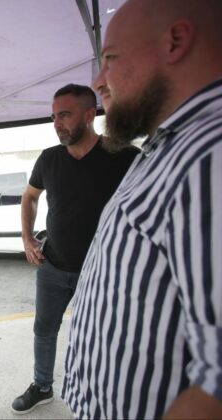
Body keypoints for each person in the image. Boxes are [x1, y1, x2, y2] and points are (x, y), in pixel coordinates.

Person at [62, 1, 222, 419]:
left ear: (176, 41)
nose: (98, 81)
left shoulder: (211, 154)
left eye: (111, 58)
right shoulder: (170, 147)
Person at [10, 84, 139, 414]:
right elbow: (30, 196)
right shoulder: (49, 158)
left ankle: (99, 392)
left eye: (64, 115)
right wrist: (27, 238)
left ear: (89, 114)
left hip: (100, 271)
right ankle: (42, 386)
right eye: (54, 116)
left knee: (100, 336)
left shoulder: (123, 156)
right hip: (52, 266)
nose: (57, 123)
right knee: (44, 331)